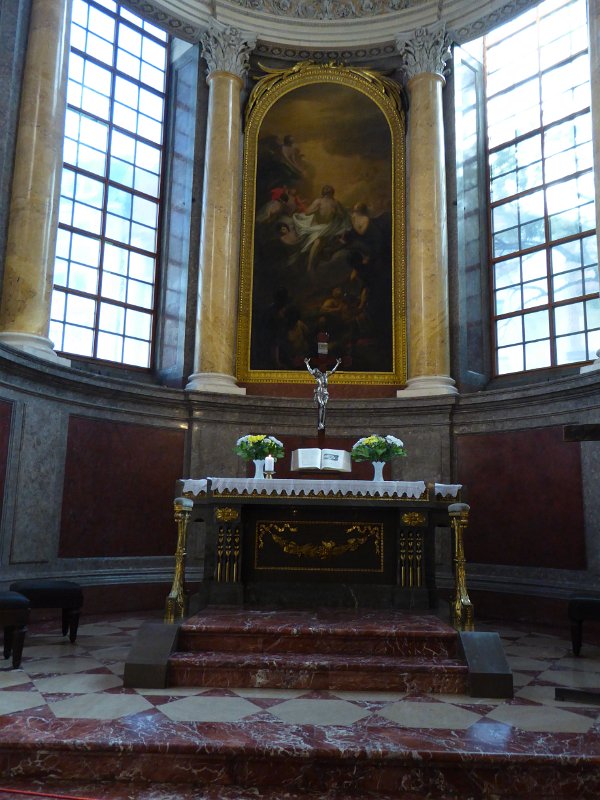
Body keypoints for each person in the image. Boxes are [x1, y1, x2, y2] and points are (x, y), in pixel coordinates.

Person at [304, 357, 342, 430]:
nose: (316, 373)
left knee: (324, 407)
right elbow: (310, 371)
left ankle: (322, 423)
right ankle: (320, 423)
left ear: (318, 371)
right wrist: (307, 363)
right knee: (321, 405)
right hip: (320, 392)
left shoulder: (325, 375)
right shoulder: (317, 378)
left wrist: (337, 363)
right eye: (316, 373)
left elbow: (333, 371)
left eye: (317, 372)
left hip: (325, 392)